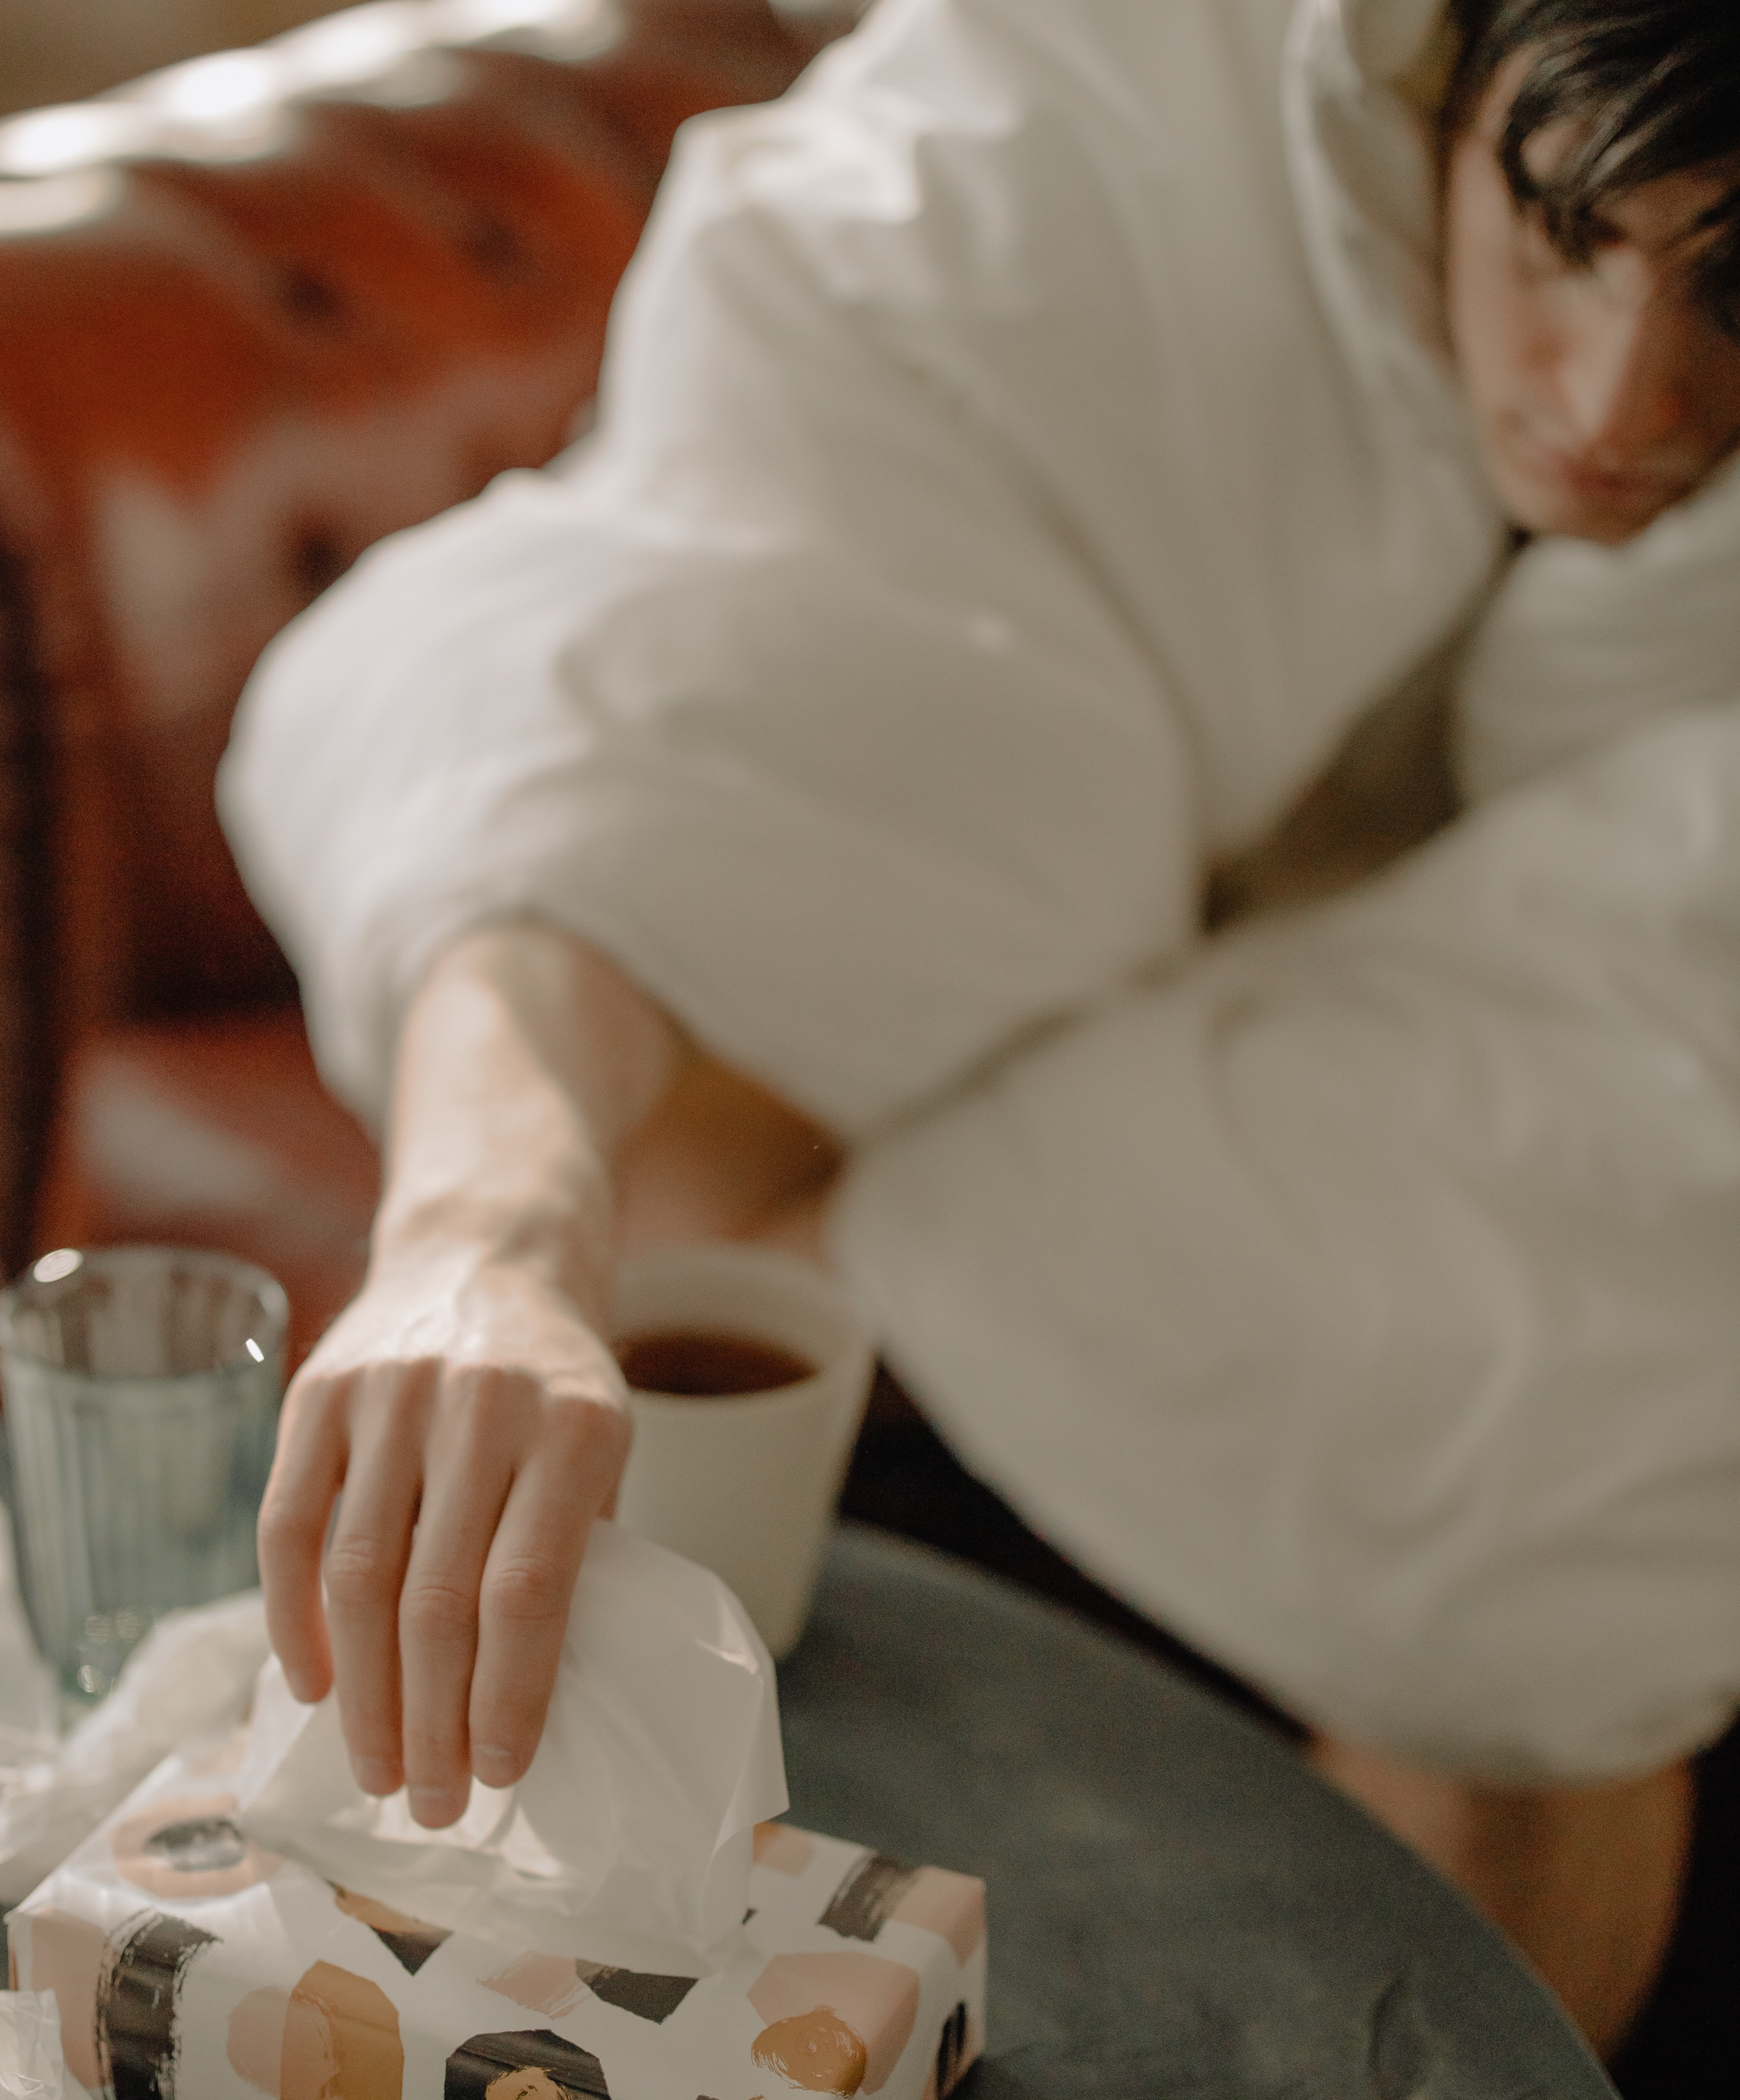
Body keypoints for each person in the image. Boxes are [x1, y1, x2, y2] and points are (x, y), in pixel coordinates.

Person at [219, 0, 1740, 2057]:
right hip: (909, 1000)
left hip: (1341, 1082)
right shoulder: (1095, 118)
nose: (1617, 399)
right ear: (1433, 71)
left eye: (1734, 295)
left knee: (1544, 1561)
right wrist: (485, 1235)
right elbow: (694, 643)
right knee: (659, 1156)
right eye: (1559, 231)